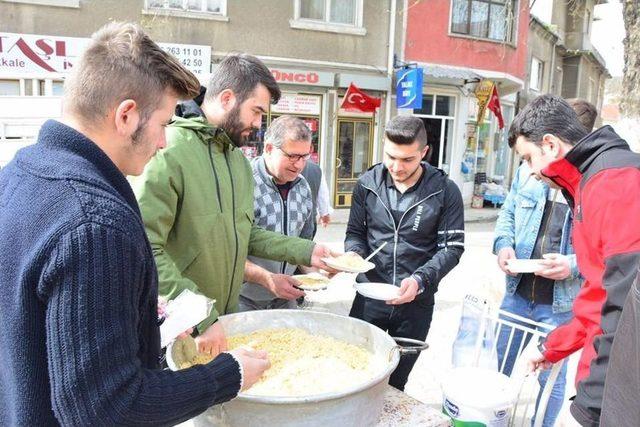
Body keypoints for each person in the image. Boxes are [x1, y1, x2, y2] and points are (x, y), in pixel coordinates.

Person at [0, 22, 268, 426]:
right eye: (163, 124)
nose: (164, 142)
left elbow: (43, 317)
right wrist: (228, 374)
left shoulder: (17, 175)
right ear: (126, 115)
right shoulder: (96, 224)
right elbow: (108, 406)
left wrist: (150, 318)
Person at [132, 53, 336, 358]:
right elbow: (145, 249)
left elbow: (245, 234)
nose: (257, 124)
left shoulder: (237, 162)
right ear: (227, 98)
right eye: (255, 111)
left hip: (225, 319)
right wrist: (199, 315)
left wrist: (306, 251)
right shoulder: (168, 149)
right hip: (182, 328)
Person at [513, 94, 640, 427]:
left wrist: (595, 399)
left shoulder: (615, 181)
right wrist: (550, 346)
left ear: (551, 145)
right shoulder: (588, 182)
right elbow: (596, 295)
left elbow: (625, 306)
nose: (529, 171)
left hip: (620, 386)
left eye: (528, 158)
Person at [492, 98, 597, 427]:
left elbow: (601, 252)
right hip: (518, 291)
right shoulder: (528, 170)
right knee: (499, 367)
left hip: (560, 303)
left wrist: (572, 264)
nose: (537, 168)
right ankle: (493, 419)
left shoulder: (590, 183)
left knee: (550, 379)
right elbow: (507, 214)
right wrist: (503, 246)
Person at [345, 115, 464, 390]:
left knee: (396, 382)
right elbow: (355, 233)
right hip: (369, 296)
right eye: (391, 156)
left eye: (407, 160)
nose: (397, 167)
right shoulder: (367, 183)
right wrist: (353, 254)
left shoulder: (444, 190)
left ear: (423, 153)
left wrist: (421, 279)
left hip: (416, 303)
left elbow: (452, 248)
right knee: (356, 374)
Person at [239, 115, 316, 311]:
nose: (299, 165)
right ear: (269, 148)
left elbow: (302, 242)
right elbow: (227, 252)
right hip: (243, 298)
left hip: (287, 298)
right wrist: (267, 279)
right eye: (292, 156)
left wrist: (321, 269)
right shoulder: (242, 182)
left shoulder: (303, 187)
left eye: (304, 157)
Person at [301, 159, 333, 236]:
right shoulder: (315, 168)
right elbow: (322, 195)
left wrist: (324, 213)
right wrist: (324, 213)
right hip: (308, 221)